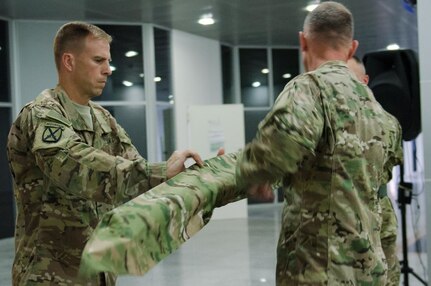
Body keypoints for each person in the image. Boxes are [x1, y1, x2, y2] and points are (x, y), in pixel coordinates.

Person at [7, 21, 205, 285]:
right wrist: (156, 172)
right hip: (49, 274)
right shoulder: (42, 115)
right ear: (69, 62)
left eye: (108, 61)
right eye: (98, 60)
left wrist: (200, 178)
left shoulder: (103, 119)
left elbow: (137, 176)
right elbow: (74, 166)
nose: (108, 70)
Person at [235, 2, 403, 285]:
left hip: (316, 271)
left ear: (303, 40)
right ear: (352, 48)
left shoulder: (309, 89)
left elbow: (270, 157)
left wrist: (249, 173)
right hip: (370, 272)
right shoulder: (383, 116)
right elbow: (381, 205)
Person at [347, 55, 401, 286]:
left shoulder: (388, 123)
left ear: (365, 80)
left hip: (378, 218)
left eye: (350, 78)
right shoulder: (323, 121)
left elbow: (390, 164)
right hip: (340, 219)